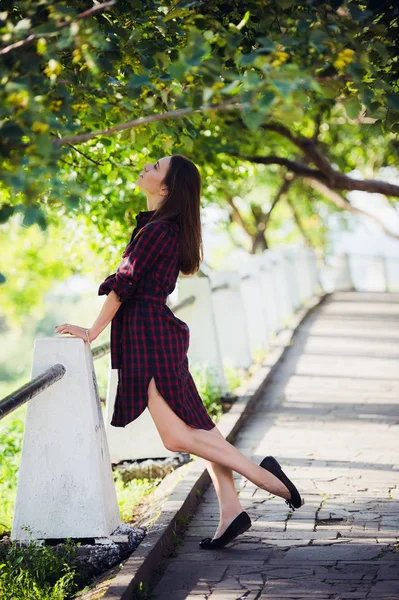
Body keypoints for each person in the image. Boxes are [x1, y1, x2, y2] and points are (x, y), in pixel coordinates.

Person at [54, 154, 303, 549]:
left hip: (147, 337)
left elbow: (124, 284)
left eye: (154, 167)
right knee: (200, 428)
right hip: (155, 334)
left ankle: (264, 477)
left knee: (175, 437)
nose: (144, 167)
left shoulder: (158, 232)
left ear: (166, 188)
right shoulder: (162, 229)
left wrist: (90, 330)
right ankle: (231, 509)